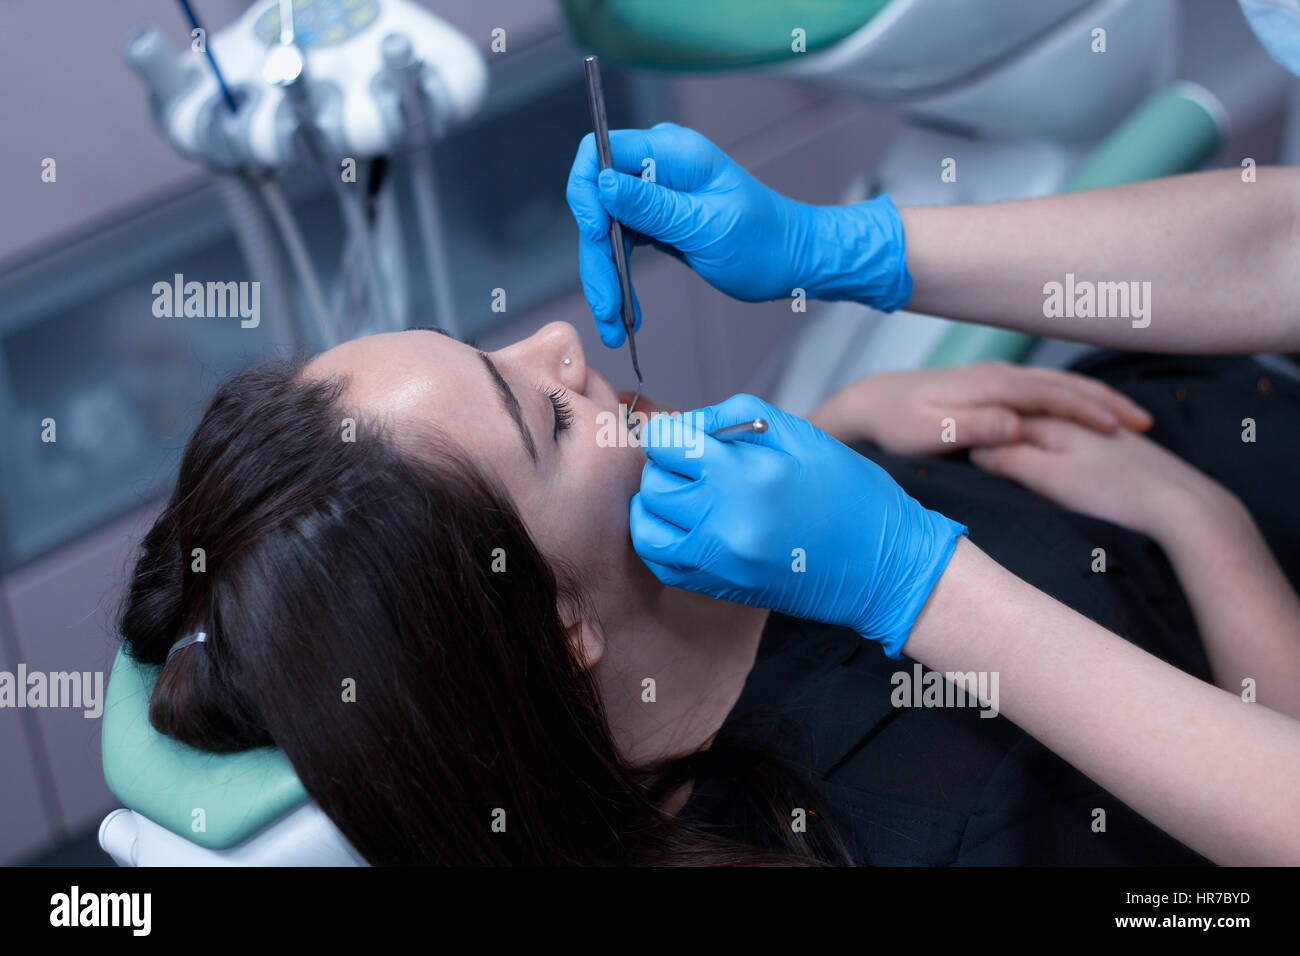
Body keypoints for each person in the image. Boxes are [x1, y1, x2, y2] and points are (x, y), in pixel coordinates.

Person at [119, 322, 1300, 864]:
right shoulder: (967, 814)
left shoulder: (720, 575)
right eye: (549, 415)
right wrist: (1207, 530)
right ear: (557, 625)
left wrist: (850, 430)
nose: (559, 336)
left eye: (496, 344)